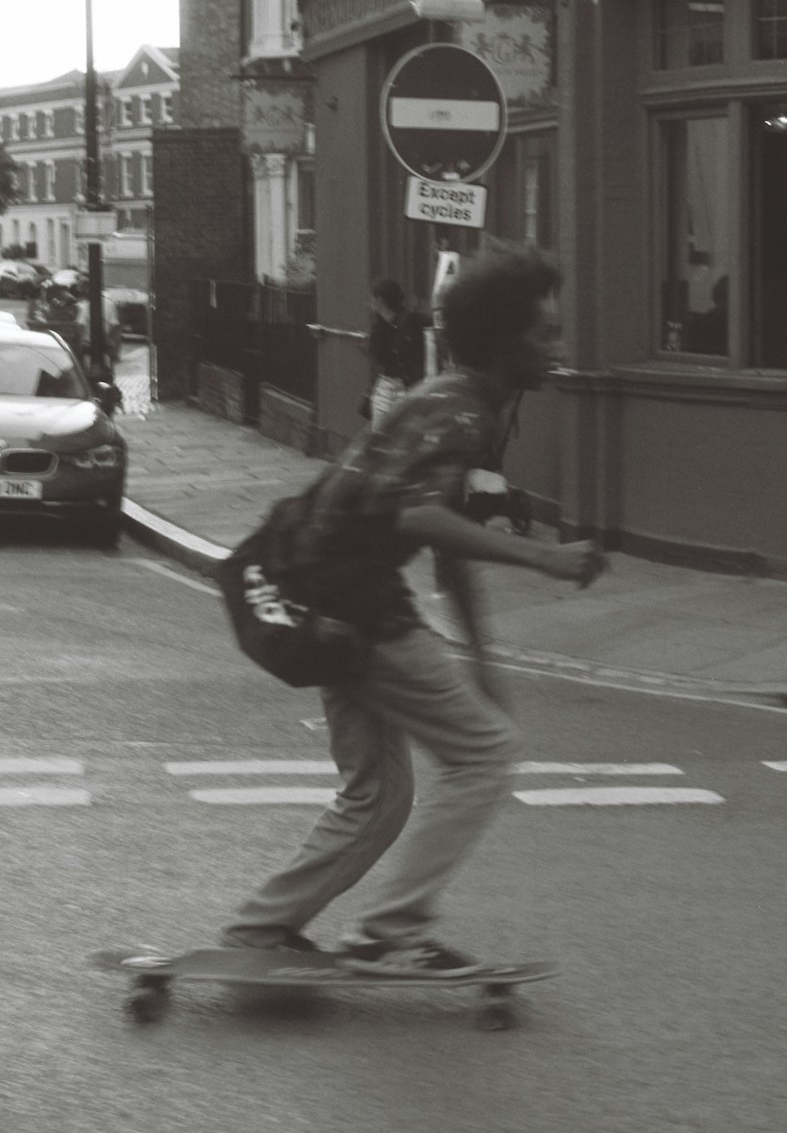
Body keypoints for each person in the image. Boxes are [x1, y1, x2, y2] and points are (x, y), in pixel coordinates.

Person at [220, 244, 606, 975]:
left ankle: (259, 931)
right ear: (503, 342)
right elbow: (415, 520)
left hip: (313, 587)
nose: (558, 346)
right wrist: (545, 557)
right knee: (485, 755)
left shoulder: (456, 402)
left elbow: (446, 544)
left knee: (380, 793)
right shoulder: (459, 411)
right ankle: (393, 930)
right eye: (545, 332)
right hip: (352, 598)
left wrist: (483, 657)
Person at [366, 277, 427, 427]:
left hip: (408, 387)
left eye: (372, 299)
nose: (370, 303)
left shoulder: (413, 321)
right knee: (380, 436)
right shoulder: (378, 327)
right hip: (385, 387)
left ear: (380, 301)